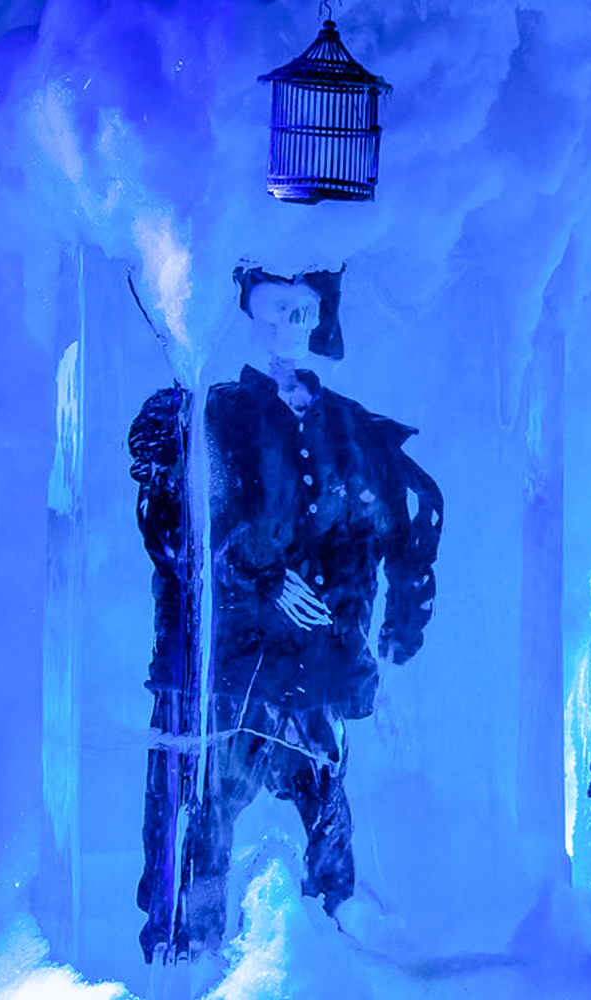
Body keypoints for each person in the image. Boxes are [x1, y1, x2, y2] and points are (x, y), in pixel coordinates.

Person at [129, 266, 443, 962]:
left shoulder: (352, 428)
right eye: (277, 306)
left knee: (328, 830)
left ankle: (337, 955)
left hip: (315, 675)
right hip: (226, 672)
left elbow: (405, 517)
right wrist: (254, 574)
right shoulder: (209, 415)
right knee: (201, 827)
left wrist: (396, 626)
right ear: (246, 310)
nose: (293, 322)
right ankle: (191, 954)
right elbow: (171, 531)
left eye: (304, 307)